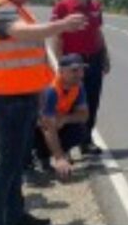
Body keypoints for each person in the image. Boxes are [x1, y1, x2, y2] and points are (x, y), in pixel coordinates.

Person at [0, 0, 86, 225]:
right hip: (6, 99)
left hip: (22, 97)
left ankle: (14, 215)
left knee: (16, 163)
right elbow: (20, 32)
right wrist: (60, 25)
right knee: (7, 163)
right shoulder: (0, 10)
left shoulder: (18, 9)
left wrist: (41, 100)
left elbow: (31, 59)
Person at [51, 0, 110, 157]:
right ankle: (65, 146)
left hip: (93, 60)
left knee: (91, 102)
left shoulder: (95, 6)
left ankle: (86, 141)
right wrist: (61, 64)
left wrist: (105, 57)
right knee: (69, 104)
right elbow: (57, 36)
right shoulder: (63, 6)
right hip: (72, 62)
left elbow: (98, 33)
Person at [31, 54, 90, 182]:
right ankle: (42, 157)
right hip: (40, 127)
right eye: (74, 70)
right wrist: (59, 158)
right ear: (61, 72)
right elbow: (47, 128)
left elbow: (84, 115)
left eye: (81, 70)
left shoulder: (78, 86)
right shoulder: (51, 90)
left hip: (58, 122)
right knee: (35, 132)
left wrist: (64, 119)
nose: (80, 74)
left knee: (80, 130)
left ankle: (60, 154)